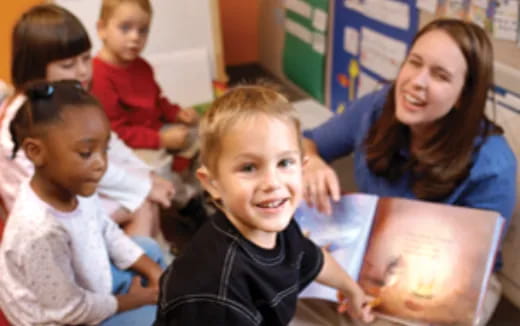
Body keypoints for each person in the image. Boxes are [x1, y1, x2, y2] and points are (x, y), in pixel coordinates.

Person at [301, 19, 516, 325]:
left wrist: (382, 294)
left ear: (463, 97)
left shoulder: (493, 164)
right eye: (414, 63)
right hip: (373, 249)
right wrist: (312, 161)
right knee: (280, 292)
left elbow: (470, 269)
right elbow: (307, 141)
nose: (417, 81)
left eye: (440, 76)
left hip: (448, 274)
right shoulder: (377, 108)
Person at [154, 85, 374, 326]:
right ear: (213, 183)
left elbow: (311, 257)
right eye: (249, 167)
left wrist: (351, 290)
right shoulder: (217, 293)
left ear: (302, 166)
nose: (272, 183)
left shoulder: (280, 226)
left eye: (284, 163)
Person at [0, 4, 175, 237]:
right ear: (35, 69)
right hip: (45, 218)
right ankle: (139, 271)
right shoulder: (33, 117)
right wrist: (145, 186)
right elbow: (85, 166)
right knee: (141, 205)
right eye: (68, 65)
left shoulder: (62, 98)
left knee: (141, 196)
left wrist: (146, 175)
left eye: (85, 59)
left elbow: (108, 143)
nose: (82, 71)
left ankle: (149, 263)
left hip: (66, 192)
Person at [0, 80, 165, 325]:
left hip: (87, 284)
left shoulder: (73, 185)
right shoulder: (39, 232)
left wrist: (153, 271)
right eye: (86, 153)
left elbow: (105, 229)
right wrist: (136, 300)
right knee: (158, 315)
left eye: (105, 150)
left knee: (149, 251)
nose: (101, 164)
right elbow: (69, 311)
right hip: (65, 318)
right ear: (36, 152)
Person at [91, 0, 198, 151]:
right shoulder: (98, 75)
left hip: (154, 131)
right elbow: (114, 132)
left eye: (143, 30)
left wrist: (177, 114)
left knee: (202, 137)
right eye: (125, 27)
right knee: (156, 169)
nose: (135, 37)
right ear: (102, 29)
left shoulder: (142, 66)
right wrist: (160, 140)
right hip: (127, 146)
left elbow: (157, 101)